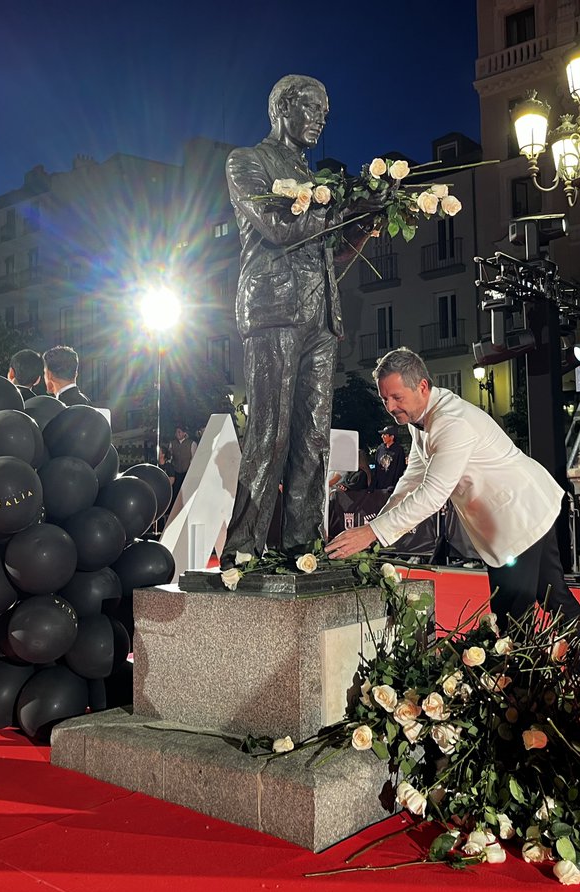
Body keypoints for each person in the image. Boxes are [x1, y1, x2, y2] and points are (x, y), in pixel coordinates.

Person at [326, 348, 580, 695]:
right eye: (385, 398)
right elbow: (413, 478)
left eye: (396, 396)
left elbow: (433, 494)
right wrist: (377, 522)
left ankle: (520, 696)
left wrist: (372, 532)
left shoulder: (450, 422)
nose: (390, 406)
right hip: (523, 510)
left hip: (518, 518)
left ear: (421, 386)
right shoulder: (423, 419)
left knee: (511, 612)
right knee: (554, 600)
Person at [219, 74, 381, 566]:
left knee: (313, 436)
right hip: (274, 309)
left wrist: (362, 226)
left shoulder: (316, 179)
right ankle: (244, 550)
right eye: (312, 109)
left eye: (325, 114)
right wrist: (346, 211)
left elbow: (330, 254)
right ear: (283, 107)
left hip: (320, 314)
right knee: (270, 431)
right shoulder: (247, 161)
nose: (320, 120)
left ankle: (303, 546)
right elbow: (276, 227)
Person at [372, 425, 406, 493]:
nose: (382, 437)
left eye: (385, 435)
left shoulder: (398, 450)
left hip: (391, 487)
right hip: (379, 487)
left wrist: (394, 485)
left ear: (392, 437)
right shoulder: (380, 448)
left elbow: (400, 469)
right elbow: (376, 467)